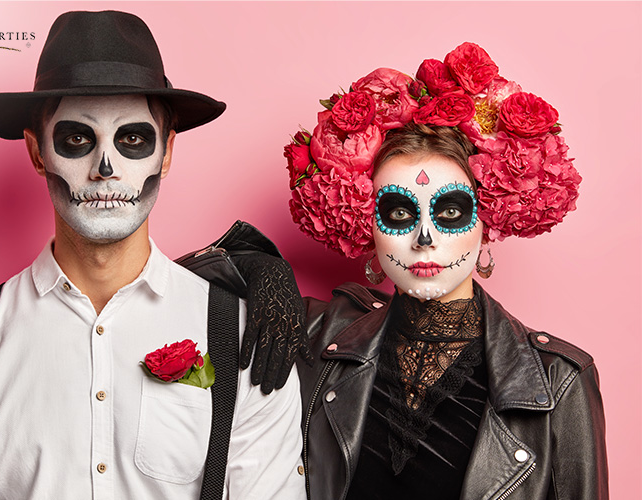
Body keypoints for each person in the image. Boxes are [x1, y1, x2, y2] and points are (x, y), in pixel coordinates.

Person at [0, 10, 306, 500]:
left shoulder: (248, 343)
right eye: (77, 139)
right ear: (37, 151)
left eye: (132, 138)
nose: (104, 168)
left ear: (166, 153)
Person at [203, 42, 608, 499]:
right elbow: (168, 284)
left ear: (488, 220)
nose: (425, 238)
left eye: (451, 212)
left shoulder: (558, 378)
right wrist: (261, 265)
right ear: (365, 225)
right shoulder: (322, 334)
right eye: (397, 214)